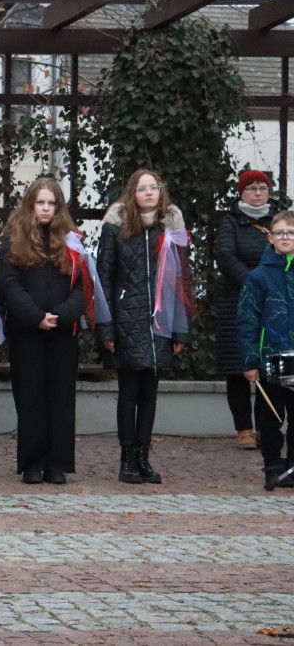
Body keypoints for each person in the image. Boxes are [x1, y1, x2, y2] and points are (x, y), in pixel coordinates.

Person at [97, 169, 191, 485]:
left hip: (160, 323)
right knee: (128, 392)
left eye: (154, 187)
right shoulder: (116, 228)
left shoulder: (172, 228)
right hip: (126, 320)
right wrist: (106, 327)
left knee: (150, 394)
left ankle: (143, 458)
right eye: (142, 188)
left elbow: (182, 281)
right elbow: (104, 278)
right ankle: (126, 459)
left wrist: (181, 330)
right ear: (132, 193)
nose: (149, 193)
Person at [0, 179, 87, 484]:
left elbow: (81, 286)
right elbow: (9, 283)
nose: (46, 209)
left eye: (51, 203)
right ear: (30, 205)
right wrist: (35, 317)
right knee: (30, 397)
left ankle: (57, 463)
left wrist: (61, 315)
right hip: (27, 332)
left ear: (59, 207)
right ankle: (32, 463)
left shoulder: (73, 241)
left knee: (61, 398)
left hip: (63, 333)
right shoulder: (13, 239)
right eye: (40, 203)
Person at [215, 170, 280, 450]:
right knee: (238, 369)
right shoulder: (230, 222)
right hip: (238, 302)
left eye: (262, 187)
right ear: (241, 192)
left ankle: (268, 427)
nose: (257, 192)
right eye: (251, 188)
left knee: (270, 369)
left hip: (275, 302)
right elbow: (225, 256)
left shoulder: (280, 220)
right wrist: (254, 283)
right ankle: (244, 429)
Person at [237, 210, 294, 488]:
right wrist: (250, 361)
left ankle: (292, 467)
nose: (286, 238)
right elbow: (247, 319)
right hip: (270, 360)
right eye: (281, 233)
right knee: (271, 417)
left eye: (291, 233)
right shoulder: (258, 277)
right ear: (271, 237)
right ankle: (273, 466)